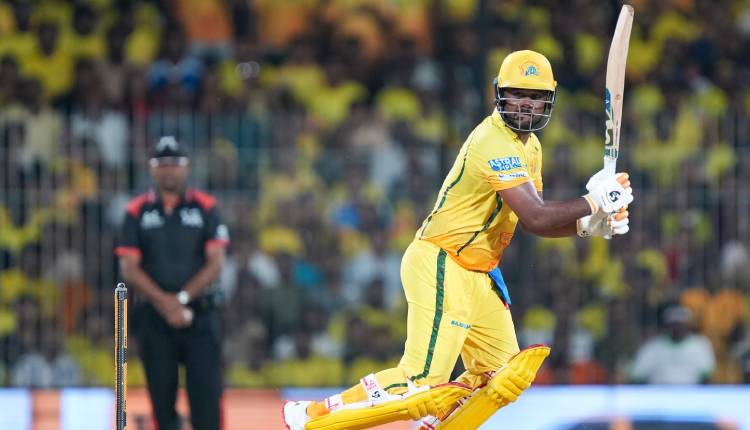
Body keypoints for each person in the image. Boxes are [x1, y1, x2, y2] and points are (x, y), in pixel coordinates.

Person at [283, 50, 633, 430]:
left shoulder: (530, 146)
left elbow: (533, 221)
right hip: (442, 261)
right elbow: (536, 214)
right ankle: (312, 416)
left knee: (504, 376)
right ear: (499, 94)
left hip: (479, 274)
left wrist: (589, 225)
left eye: (535, 96)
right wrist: (593, 202)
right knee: (421, 382)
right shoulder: (493, 141)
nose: (526, 104)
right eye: (517, 94)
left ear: (549, 100)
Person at [115, 136, 230, 430]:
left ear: (187, 166)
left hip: (199, 316)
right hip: (155, 319)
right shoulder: (136, 211)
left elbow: (216, 262)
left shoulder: (206, 206)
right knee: (162, 405)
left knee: (207, 403)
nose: (169, 169)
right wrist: (167, 304)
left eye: (175, 163)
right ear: (151, 168)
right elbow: (129, 268)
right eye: (161, 163)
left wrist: (180, 300)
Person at [630, 305, 715, 384]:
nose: (677, 328)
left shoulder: (700, 345)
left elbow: (707, 375)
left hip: (691, 392)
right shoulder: (653, 346)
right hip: (658, 392)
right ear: (666, 326)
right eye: (673, 324)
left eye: (680, 324)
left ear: (688, 325)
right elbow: (637, 374)